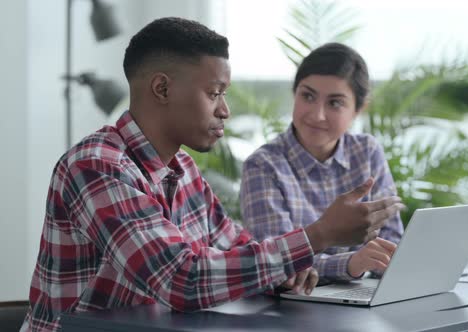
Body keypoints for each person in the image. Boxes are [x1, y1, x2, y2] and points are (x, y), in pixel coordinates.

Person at [21, 18, 402, 332]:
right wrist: (321, 235)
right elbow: (182, 279)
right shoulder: (97, 166)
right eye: (215, 92)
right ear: (162, 88)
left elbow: (238, 250)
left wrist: (290, 269)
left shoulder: (183, 171)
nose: (225, 111)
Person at [240, 43, 405, 282]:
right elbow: (275, 262)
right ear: (294, 94)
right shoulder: (263, 166)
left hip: (367, 299)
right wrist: (351, 263)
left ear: (358, 110)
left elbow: (392, 244)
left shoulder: (367, 152)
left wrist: (373, 263)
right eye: (307, 96)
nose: (317, 115)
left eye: (335, 103)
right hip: (294, 309)